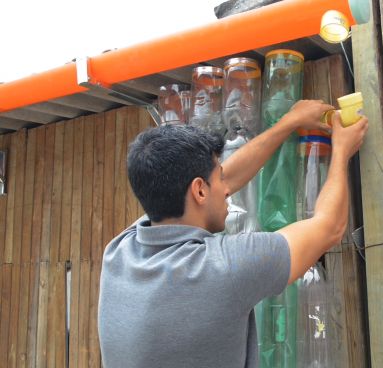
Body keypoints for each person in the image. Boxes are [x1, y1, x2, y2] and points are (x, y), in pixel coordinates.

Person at [97, 100, 369, 368]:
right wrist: (342, 151)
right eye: (219, 179)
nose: (227, 189)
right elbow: (330, 226)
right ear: (200, 190)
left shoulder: (120, 250)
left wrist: (291, 121)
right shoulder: (223, 267)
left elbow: (226, 178)